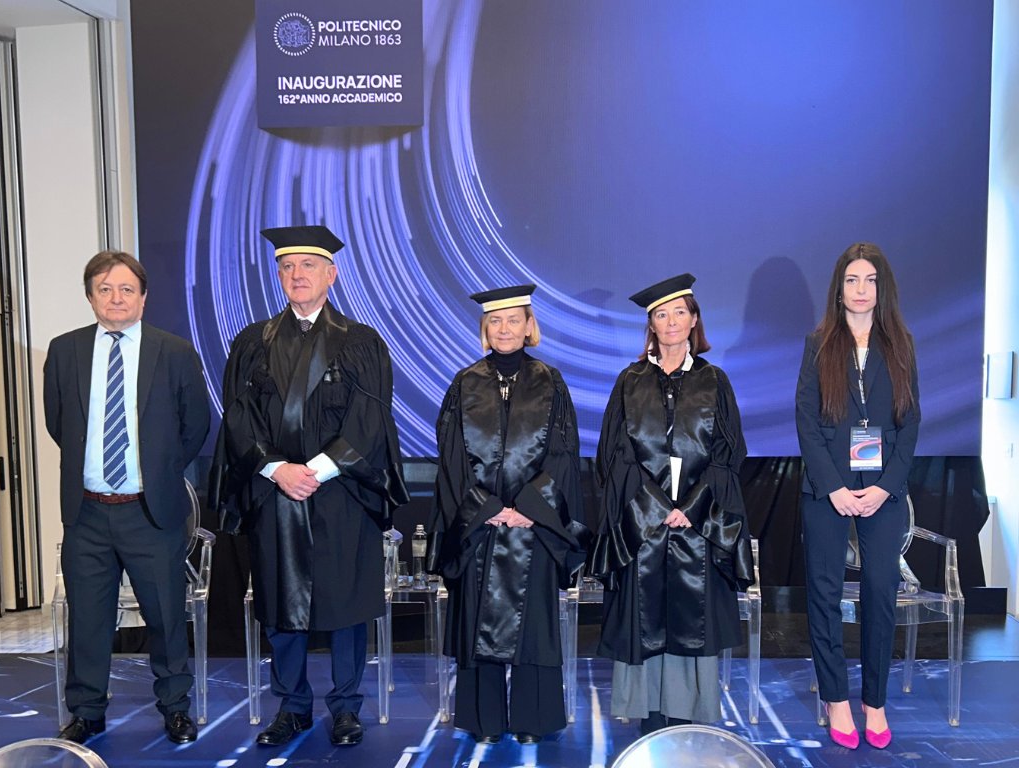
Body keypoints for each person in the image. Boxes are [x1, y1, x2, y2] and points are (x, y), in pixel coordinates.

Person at [214, 225, 408, 748]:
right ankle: (292, 706)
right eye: (287, 267)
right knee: (282, 606)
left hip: (341, 491)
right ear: (278, 276)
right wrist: (276, 468)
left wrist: (317, 470)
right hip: (276, 492)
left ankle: (346, 707)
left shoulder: (361, 342)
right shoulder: (253, 342)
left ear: (331, 274)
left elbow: (370, 420)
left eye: (308, 266)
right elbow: (238, 418)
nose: (296, 275)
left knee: (346, 604)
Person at [43, 250, 211, 745]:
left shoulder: (174, 351)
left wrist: (157, 473)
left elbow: (195, 425)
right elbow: (58, 422)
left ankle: (175, 708)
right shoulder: (65, 350)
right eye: (105, 289)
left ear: (143, 297)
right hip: (87, 512)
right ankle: (87, 711)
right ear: (90, 296)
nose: (116, 298)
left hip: (150, 512)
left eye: (126, 289)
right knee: (88, 620)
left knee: (165, 617)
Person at [589, 273, 754, 735]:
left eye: (680, 312)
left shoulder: (713, 381)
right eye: (662, 315)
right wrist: (654, 507)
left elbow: (728, 453)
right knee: (644, 620)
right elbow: (615, 455)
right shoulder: (630, 381)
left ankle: (686, 723)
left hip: (697, 527)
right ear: (652, 326)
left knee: (691, 619)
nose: (672, 321)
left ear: (694, 320)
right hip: (643, 527)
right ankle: (650, 722)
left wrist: (693, 508)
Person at [425, 285, 588, 745]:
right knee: (478, 619)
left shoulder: (550, 382)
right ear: (485, 328)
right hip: (480, 526)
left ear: (529, 326)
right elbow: (452, 460)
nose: (504, 329)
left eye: (514, 320)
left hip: (534, 528)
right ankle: (485, 721)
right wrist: (489, 509)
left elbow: (562, 455)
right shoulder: (465, 383)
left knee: (533, 626)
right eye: (495, 321)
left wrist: (531, 509)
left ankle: (532, 720)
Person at [796, 243, 920, 750]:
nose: (861, 289)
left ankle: (875, 701)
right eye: (852, 280)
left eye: (870, 280)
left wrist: (885, 486)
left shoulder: (901, 344)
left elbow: (910, 423)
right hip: (827, 489)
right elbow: (806, 420)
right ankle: (837, 699)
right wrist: (834, 488)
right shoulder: (819, 344)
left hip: (882, 489)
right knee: (824, 594)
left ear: (881, 288)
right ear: (839, 289)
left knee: (881, 591)